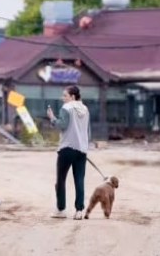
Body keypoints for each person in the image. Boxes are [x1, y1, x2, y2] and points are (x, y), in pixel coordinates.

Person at [47, 85, 91, 220]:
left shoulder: (66, 108)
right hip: (81, 149)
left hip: (66, 148)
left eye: (65, 95)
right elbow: (87, 131)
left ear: (73, 97)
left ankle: (61, 210)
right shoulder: (85, 109)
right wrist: (85, 145)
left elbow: (62, 125)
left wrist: (52, 117)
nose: (62, 98)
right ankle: (79, 211)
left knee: (60, 180)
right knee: (79, 180)